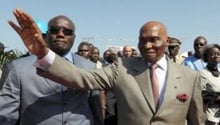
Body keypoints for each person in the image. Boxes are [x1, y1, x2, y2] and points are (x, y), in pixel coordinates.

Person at [9, 8, 206, 125]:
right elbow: (81, 77)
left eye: (154, 40)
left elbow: (197, 120)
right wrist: (43, 53)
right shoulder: (122, 68)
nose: (147, 45)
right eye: (142, 40)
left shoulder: (189, 77)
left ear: (167, 40)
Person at [1, 14, 103, 125]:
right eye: (54, 30)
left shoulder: (89, 67)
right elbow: (6, 116)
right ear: (47, 35)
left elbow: (96, 109)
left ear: (74, 37)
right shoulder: (18, 68)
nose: (60, 35)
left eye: (67, 32)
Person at [199, 44, 220, 124]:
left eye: (218, 54)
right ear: (206, 57)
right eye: (212, 54)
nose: (216, 56)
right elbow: (203, 94)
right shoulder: (202, 73)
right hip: (211, 117)